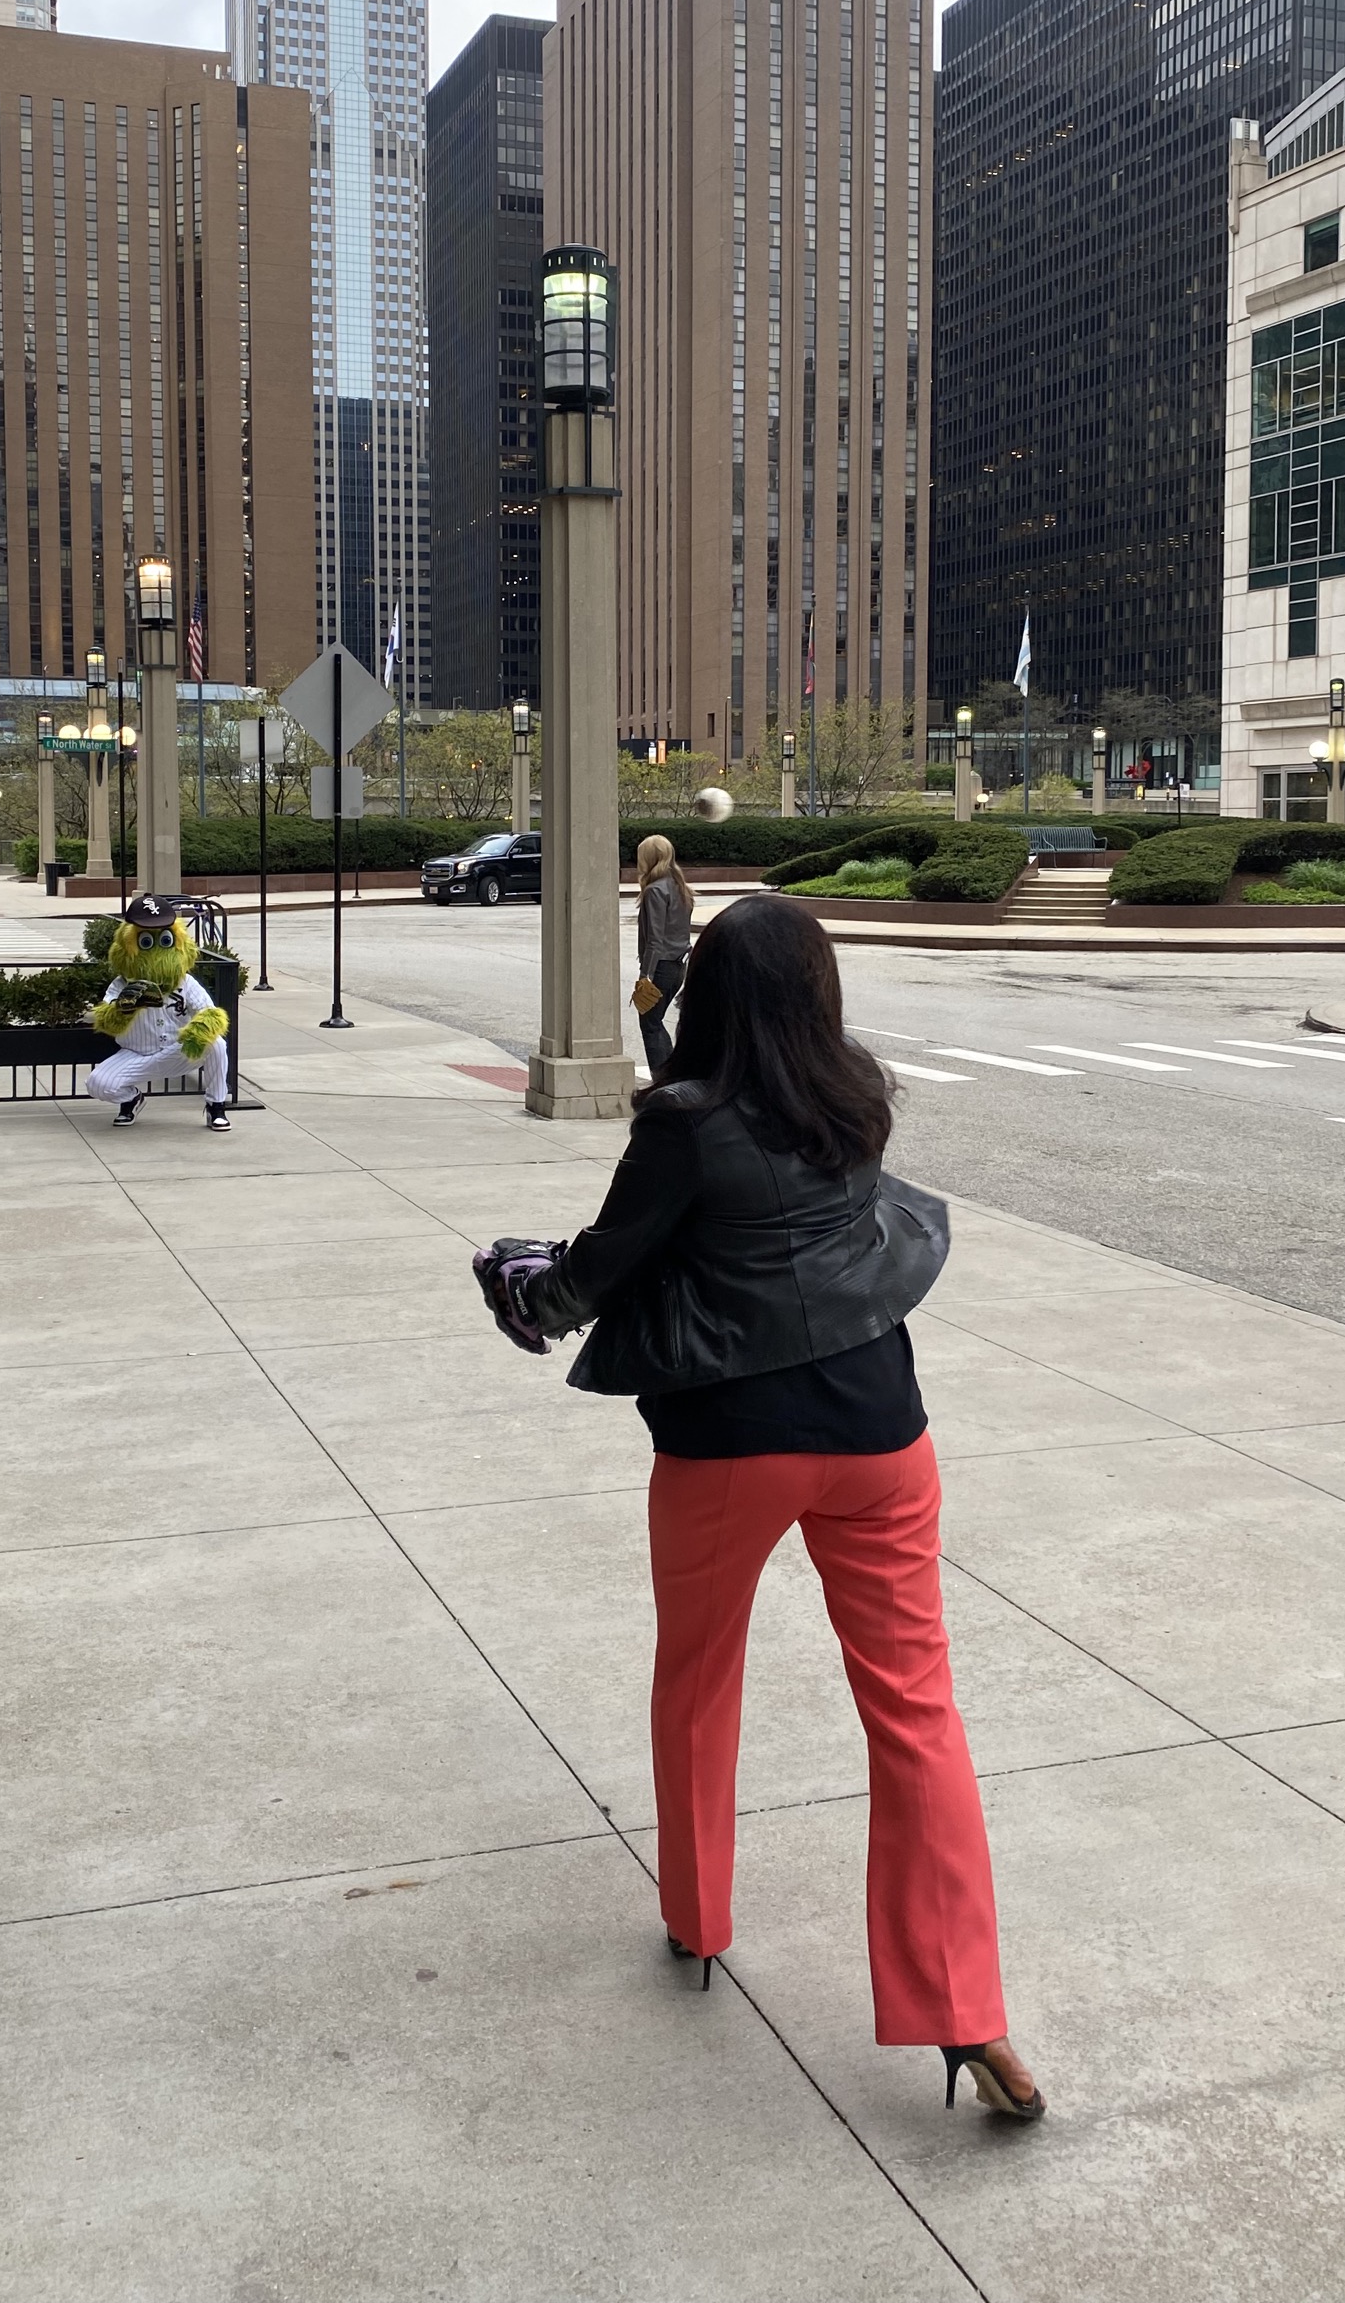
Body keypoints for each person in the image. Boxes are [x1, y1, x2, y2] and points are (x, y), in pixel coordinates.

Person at [485, 893, 1043, 2121]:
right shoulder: (856, 1094)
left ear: (710, 993)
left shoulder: (686, 1124)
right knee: (918, 1714)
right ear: (820, 994)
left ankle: (698, 1918)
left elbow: (604, 1264)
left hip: (729, 1443)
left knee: (697, 1676)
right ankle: (971, 2014)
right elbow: (785, 1182)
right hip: (880, 1433)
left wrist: (521, 1282)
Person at [86, 897, 232, 1130]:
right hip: (137, 1054)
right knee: (98, 1084)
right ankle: (131, 1099)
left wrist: (197, 1032)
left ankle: (216, 1106)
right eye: (145, 941)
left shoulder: (185, 982)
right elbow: (105, 1021)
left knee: (216, 1044)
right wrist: (124, 1008)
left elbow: (210, 1012)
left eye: (164, 940)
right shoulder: (121, 984)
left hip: (179, 1050)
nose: (155, 950)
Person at [630, 832, 693, 1076]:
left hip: (661, 967)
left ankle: (664, 1079)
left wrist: (645, 975)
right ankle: (670, 1074)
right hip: (678, 966)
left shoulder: (654, 891)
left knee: (650, 1024)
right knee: (655, 1022)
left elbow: (655, 939)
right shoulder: (681, 888)